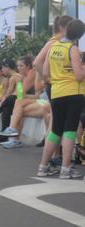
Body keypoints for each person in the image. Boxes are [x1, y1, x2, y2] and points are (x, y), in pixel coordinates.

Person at [38, 19, 85, 179]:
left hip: (56, 92)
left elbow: (45, 73)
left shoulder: (53, 46)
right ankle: (66, 169)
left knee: (56, 130)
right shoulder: (73, 49)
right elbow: (79, 76)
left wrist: (59, 77)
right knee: (70, 130)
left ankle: (43, 167)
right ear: (80, 35)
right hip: (74, 93)